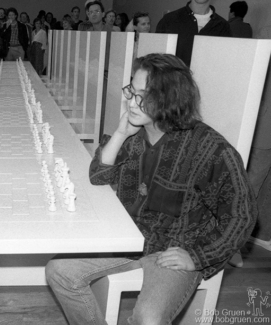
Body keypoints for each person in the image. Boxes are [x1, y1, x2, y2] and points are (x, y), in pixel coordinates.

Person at [46, 53, 257, 325]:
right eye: (131, 91)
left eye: (142, 95)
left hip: (174, 250)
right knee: (59, 271)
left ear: (170, 99)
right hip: (131, 239)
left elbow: (242, 214)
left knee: (149, 319)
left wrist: (197, 256)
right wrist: (121, 133)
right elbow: (98, 175)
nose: (131, 102)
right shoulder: (136, 134)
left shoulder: (211, 149)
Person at [248, 25, 271, 253]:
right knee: (251, 183)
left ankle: (261, 234)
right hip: (264, 129)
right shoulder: (266, 41)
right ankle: (234, 240)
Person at [156, 0, 232, 67]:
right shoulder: (168, 21)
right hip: (174, 82)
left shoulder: (223, 26)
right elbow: (157, 62)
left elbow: (224, 64)